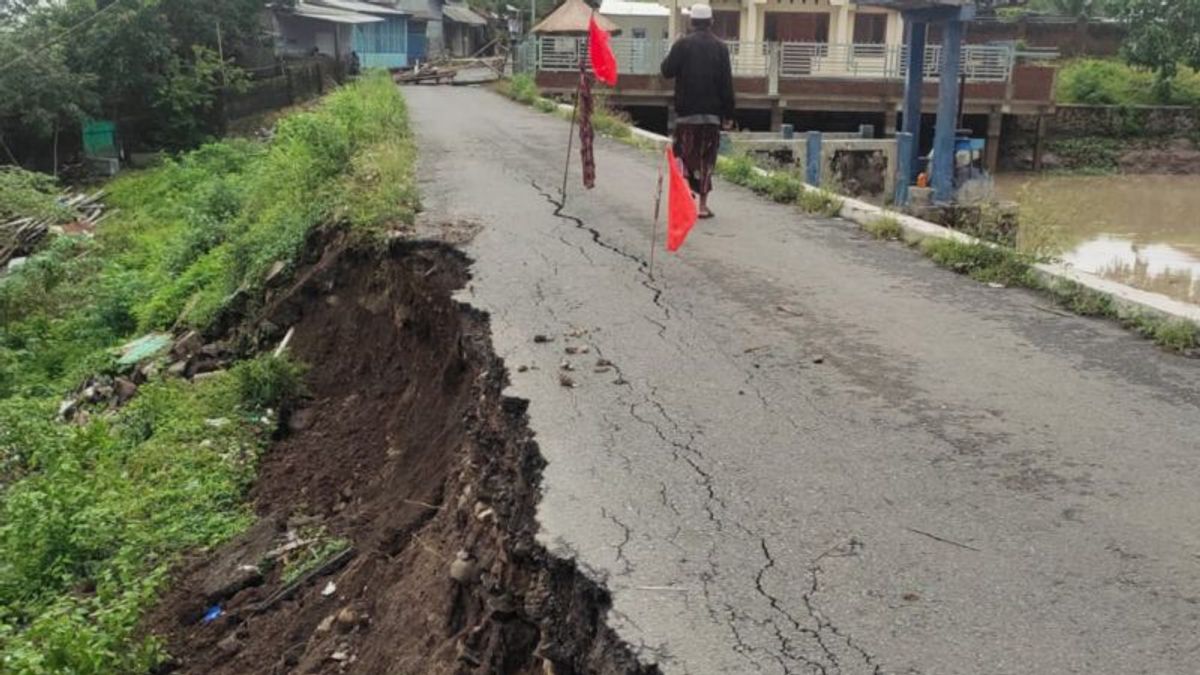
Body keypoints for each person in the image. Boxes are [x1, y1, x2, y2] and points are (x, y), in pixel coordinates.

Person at [659, 3, 735, 219]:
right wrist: (728, 115)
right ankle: (702, 207)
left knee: (683, 157)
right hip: (711, 117)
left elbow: (666, 71)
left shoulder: (682, 45)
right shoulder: (721, 48)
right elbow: (726, 84)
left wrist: (674, 46)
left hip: (686, 116)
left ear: (692, 22)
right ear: (711, 22)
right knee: (705, 160)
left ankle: (685, 202)